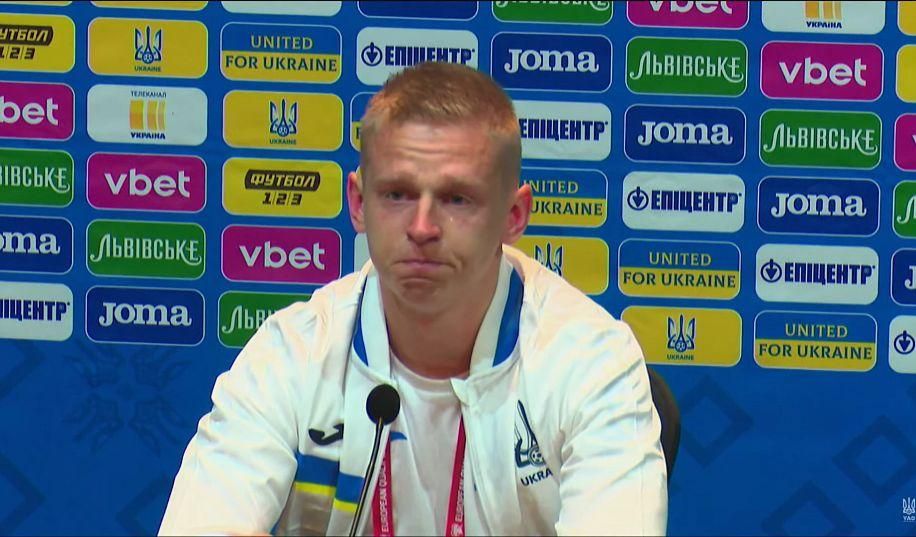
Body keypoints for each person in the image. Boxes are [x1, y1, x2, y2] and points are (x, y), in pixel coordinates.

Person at [159, 62, 667, 536]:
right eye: (397, 194)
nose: (422, 227)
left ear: (513, 216)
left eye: (456, 198)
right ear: (359, 203)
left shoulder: (593, 361)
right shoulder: (291, 354)